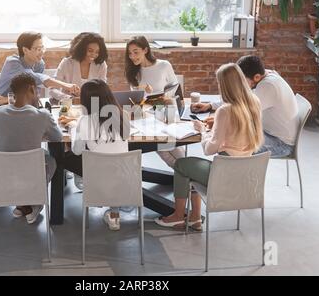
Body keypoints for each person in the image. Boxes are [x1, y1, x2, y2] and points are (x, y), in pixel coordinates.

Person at [155, 63, 264, 230]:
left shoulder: (225, 111)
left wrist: (203, 130)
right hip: (245, 175)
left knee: (182, 165)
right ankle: (194, 218)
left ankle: (178, 216)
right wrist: (217, 126)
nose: (218, 86)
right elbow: (237, 128)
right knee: (189, 167)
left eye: (220, 83)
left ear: (225, 85)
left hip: (224, 175)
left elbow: (209, 149)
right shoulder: (253, 103)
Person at [0, 73, 63, 224]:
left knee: (1, 159)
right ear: (32, 89)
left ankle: (22, 203)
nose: (38, 94)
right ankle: (33, 201)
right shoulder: (43, 115)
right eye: (37, 90)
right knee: (50, 160)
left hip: (2, 178)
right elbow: (57, 138)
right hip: (30, 175)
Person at [191, 55, 298, 157]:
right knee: (228, 136)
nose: (239, 83)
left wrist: (214, 125)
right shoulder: (267, 75)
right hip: (271, 132)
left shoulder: (268, 86)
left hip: (280, 143)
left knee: (227, 143)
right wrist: (210, 106)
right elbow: (240, 101)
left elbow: (241, 108)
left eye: (242, 79)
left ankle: (228, 171)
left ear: (256, 77)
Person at [60, 79, 131, 231]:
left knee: (63, 158)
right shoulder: (123, 114)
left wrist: (74, 129)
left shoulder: (84, 121)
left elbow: (77, 151)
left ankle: (75, 187)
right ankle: (114, 215)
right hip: (125, 177)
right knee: (112, 159)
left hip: (98, 177)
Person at [56, 32, 108, 188]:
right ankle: (73, 168)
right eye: (90, 50)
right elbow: (52, 90)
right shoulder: (67, 63)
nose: (94, 54)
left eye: (97, 52)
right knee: (69, 134)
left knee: (87, 135)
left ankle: (80, 170)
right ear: (82, 48)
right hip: (68, 106)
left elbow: (102, 89)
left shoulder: (101, 65)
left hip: (90, 108)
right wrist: (67, 96)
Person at [124, 35, 185, 168]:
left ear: (145, 50)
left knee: (166, 142)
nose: (132, 56)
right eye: (130, 53)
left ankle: (187, 174)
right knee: (161, 146)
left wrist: (163, 101)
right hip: (148, 114)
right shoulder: (133, 72)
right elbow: (136, 100)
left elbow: (175, 91)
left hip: (167, 109)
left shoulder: (163, 65)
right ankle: (187, 174)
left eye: (136, 52)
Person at [0, 31, 80, 104]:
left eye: (42, 48)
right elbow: (33, 77)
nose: (42, 52)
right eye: (38, 49)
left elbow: (33, 92)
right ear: (25, 50)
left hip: (24, 105)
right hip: (1, 104)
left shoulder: (40, 64)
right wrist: (66, 85)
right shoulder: (12, 62)